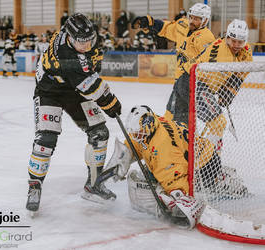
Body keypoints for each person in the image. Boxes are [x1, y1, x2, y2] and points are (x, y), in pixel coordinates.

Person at [26, 13, 122, 216]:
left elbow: (91, 72)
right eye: (81, 42)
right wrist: (110, 102)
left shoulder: (84, 39)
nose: (87, 45)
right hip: (50, 92)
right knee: (46, 140)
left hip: (75, 90)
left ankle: (93, 184)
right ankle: (34, 186)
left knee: (100, 133)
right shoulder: (66, 53)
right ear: (69, 37)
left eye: (90, 40)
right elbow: (88, 85)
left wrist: (102, 92)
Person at [103, 105, 248, 229]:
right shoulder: (154, 123)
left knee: (164, 183)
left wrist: (176, 194)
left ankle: (218, 179)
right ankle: (217, 176)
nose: (135, 136)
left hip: (205, 165)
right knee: (155, 170)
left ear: (149, 126)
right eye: (133, 133)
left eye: (138, 133)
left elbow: (173, 176)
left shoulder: (163, 148)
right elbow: (138, 143)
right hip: (199, 153)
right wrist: (124, 156)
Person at [132, 3, 215, 125]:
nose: (192, 21)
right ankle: (182, 141)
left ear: (205, 20)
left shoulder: (206, 38)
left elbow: (206, 63)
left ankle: (206, 141)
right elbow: (167, 29)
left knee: (210, 119)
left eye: (196, 19)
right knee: (172, 118)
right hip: (180, 83)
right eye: (191, 17)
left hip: (195, 85)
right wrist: (151, 23)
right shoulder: (183, 25)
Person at [181, 19, 252, 154]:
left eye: (240, 42)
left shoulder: (243, 48)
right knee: (217, 123)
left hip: (200, 81)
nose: (236, 45)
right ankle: (208, 162)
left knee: (217, 123)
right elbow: (213, 85)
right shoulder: (222, 56)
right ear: (227, 37)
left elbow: (242, 69)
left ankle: (209, 157)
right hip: (192, 83)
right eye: (233, 41)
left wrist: (230, 90)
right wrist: (228, 92)